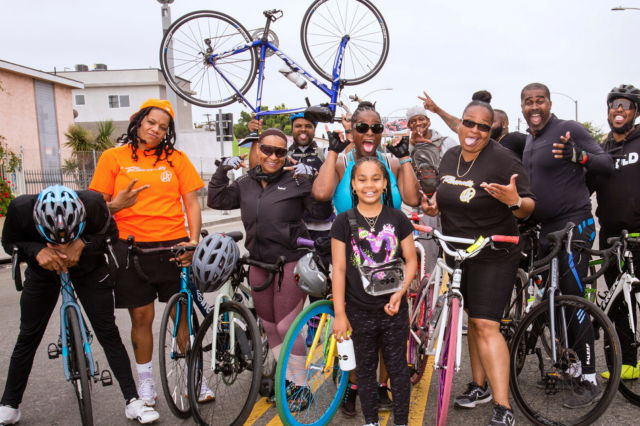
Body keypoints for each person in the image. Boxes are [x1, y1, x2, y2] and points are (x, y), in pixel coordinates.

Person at [0, 185, 159, 424]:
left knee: (107, 331)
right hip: (43, 270)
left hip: (89, 266)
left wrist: (83, 243)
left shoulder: (94, 204)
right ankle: (10, 404)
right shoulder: (21, 209)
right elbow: (9, 243)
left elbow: (111, 236)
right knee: (28, 335)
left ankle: (133, 401)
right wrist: (36, 249)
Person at [423, 100, 535, 426]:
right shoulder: (449, 157)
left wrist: (515, 201)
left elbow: (528, 205)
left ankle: (504, 408)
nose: (474, 131)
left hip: (494, 252)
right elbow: (445, 198)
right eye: (468, 123)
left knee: (487, 324)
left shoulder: (502, 159)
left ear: (491, 130)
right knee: (472, 320)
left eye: (483, 127)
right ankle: (479, 386)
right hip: (457, 251)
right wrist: (433, 208)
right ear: (460, 123)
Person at [89, 99, 206, 407]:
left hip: (174, 247)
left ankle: (195, 378)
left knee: (183, 316)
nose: (156, 130)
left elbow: (191, 203)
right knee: (141, 317)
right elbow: (98, 205)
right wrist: (117, 205)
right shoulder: (113, 158)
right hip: (130, 250)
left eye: (164, 127)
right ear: (138, 121)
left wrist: (193, 242)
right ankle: (145, 384)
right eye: (151, 123)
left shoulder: (177, 159)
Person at [207, 128, 334, 407]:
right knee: (269, 325)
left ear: (285, 154)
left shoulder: (295, 180)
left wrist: (311, 178)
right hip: (257, 263)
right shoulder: (245, 182)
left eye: (280, 151)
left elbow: (322, 211)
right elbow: (216, 200)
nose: (273, 156)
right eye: (268, 150)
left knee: (288, 324)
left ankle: (301, 387)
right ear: (258, 150)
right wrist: (221, 173)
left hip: (290, 261)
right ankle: (288, 379)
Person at [312, 101, 420, 416]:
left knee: (389, 335)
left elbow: (412, 199)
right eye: (362, 127)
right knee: (356, 335)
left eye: (376, 127)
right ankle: (355, 385)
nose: (369, 132)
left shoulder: (391, 161)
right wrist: (331, 151)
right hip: (351, 261)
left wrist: (406, 158)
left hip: (389, 262)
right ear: (353, 131)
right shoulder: (342, 161)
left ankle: (382, 385)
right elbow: (320, 194)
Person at [520, 83, 614, 407]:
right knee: (555, 302)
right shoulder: (531, 140)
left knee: (573, 301)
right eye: (528, 102)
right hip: (547, 231)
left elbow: (606, 164)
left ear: (549, 103)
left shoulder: (568, 129)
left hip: (574, 226)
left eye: (539, 101)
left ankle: (589, 378)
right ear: (522, 106)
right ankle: (572, 366)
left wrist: (581, 156)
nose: (534, 107)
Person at [332, 156, 418, 426]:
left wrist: (400, 292)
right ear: (353, 187)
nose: (369, 184)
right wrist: (339, 313)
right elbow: (340, 270)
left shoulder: (398, 217)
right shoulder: (342, 222)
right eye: (362, 179)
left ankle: (401, 422)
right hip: (358, 311)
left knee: (398, 371)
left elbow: (411, 259)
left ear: (385, 185)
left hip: (394, 310)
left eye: (376, 179)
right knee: (366, 373)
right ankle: (371, 422)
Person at [587, 84, 640, 380]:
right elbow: (584, 187)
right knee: (620, 301)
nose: (619, 110)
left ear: (635, 111)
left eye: (625, 104)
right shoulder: (601, 150)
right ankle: (627, 365)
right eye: (614, 104)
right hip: (610, 237)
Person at [403, 105, 457, 275]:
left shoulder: (447, 142)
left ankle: (451, 293)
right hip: (422, 208)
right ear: (408, 125)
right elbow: (401, 164)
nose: (418, 123)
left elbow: (457, 171)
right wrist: (411, 143)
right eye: (413, 121)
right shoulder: (407, 146)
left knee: (453, 254)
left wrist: (439, 194)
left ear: (428, 121)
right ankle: (429, 292)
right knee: (427, 257)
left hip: (448, 206)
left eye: (421, 119)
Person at [419, 90, 527, 159]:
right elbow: (459, 126)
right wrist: (437, 110)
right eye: (472, 123)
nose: (478, 128)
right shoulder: (481, 140)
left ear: (504, 124)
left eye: (486, 124)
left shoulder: (514, 138)